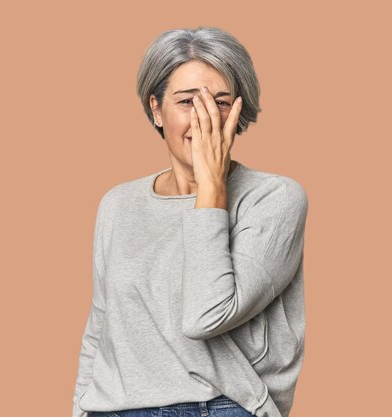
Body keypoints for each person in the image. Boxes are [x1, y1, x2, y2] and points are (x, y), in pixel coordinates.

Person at [72, 27, 308, 417]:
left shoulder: (274, 198)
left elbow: (206, 316)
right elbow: (101, 328)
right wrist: (80, 408)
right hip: (112, 409)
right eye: (186, 102)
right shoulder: (118, 204)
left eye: (220, 102)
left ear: (238, 111)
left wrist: (211, 187)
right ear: (155, 109)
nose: (204, 119)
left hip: (218, 407)